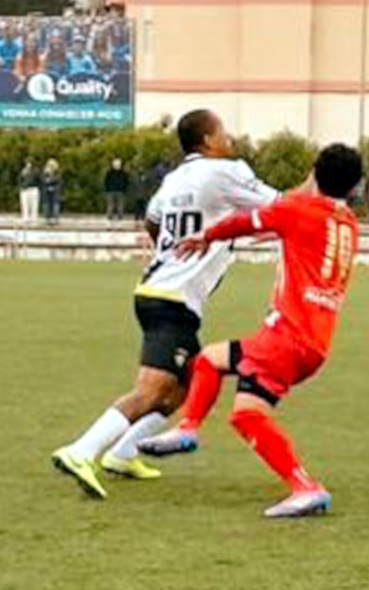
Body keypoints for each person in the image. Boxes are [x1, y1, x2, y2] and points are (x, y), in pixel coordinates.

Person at [51, 109, 279, 499]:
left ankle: (122, 454)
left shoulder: (174, 179)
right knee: (151, 391)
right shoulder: (225, 171)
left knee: (185, 387)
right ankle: (82, 450)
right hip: (173, 300)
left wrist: (170, 252)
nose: (228, 138)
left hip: (156, 293)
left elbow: (153, 220)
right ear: (207, 140)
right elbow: (281, 205)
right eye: (222, 132)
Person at [140, 144, 364, 518]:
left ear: (313, 173)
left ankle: (305, 487)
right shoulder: (348, 223)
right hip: (314, 343)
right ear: (354, 187)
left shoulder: (297, 210)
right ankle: (188, 429)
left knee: (243, 410)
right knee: (212, 363)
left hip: (287, 337)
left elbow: (245, 222)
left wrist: (206, 236)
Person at [41, 159, 63, 225]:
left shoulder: (58, 174)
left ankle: (55, 218)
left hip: (55, 193)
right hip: (46, 193)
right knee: (46, 205)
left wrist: (50, 181)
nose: (50, 167)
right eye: (49, 165)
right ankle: (47, 218)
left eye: (52, 166)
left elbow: (58, 182)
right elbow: (43, 181)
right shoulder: (45, 173)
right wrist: (47, 175)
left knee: (55, 206)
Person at [18, 160, 40, 224]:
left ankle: (34, 218)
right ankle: (25, 218)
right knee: (24, 204)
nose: (29, 165)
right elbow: (19, 179)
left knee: (34, 205)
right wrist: (21, 186)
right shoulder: (23, 171)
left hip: (33, 189)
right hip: (25, 190)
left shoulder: (36, 171)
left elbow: (38, 180)